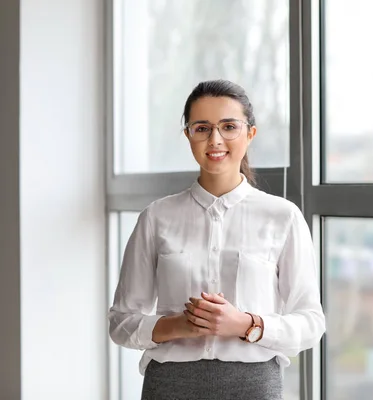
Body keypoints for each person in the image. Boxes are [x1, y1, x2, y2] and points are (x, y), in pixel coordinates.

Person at [108, 79, 326, 400]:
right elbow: (121, 322)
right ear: (188, 135)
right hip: (169, 385)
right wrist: (180, 325)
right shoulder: (156, 217)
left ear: (250, 133)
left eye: (228, 126)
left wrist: (245, 324)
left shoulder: (283, 216)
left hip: (255, 386)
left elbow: (310, 322)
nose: (215, 139)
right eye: (202, 128)